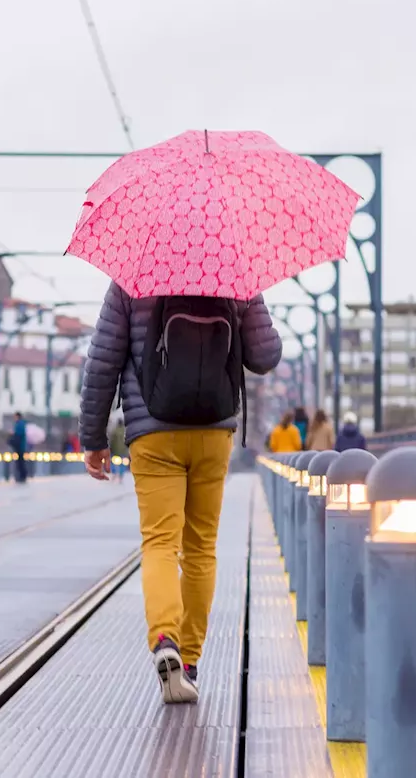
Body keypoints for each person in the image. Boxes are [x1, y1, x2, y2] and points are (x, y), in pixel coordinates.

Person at [80, 281, 281, 705]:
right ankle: (188, 662)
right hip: (213, 430)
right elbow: (266, 356)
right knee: (201, 548)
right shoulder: (236, 271)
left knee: (159, 543)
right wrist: (251, 296)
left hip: (153, 430)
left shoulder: (131, 276)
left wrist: (93, 437)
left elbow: (102, 362)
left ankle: (164, 639)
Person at [10, 412, 28, 484]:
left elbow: (19, 435)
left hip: (20, 446)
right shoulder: (20, 424)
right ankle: (21, 476)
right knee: (20, 462)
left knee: (20, 462)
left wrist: (13, 435)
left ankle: (22, 476)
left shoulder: (20, 424)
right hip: (20, 446)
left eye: (15, 417)